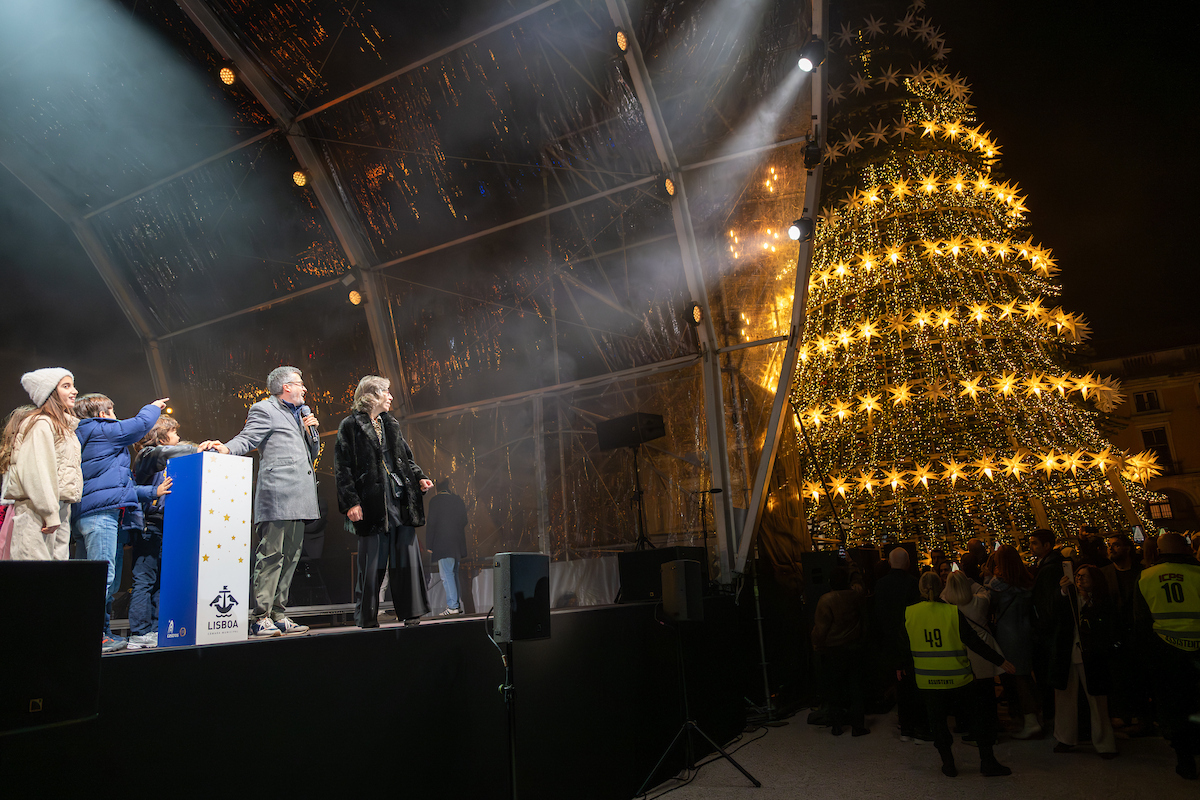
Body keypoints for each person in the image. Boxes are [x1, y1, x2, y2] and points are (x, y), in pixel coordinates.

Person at [199, 366, 319, 638]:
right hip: (278, 494)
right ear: (286, 387)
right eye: (300, 383)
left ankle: (279, 613)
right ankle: (260, 617)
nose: (304, 388)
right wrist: (226, 448)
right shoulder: (264, 409)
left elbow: (311, 454)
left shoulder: (300, 414)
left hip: (300, 495)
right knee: (272, 555)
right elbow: (248, 437)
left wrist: (310, 432)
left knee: (291, 556)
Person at [333, 375, 433, 628]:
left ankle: (411, 613)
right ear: (372, 395)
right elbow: (343, 468)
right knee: (372, 562)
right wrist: (351, 502)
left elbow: (406, 459)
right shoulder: (350, 426)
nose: (390, 397)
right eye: (386, 392)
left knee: (406, 557)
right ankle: (367, 617)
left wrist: (419, 477)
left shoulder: (391, 423)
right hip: (372, 503)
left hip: (399, 499)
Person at [74, 392, 165, 652]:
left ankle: (99, 633)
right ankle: (93, 637)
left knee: (89, 579)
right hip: (101, 515)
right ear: (103, 414)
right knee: (102, 579)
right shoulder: (102, 429)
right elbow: (139, 424)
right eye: (113, 412)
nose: (116, 417)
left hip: (87, 513)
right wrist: (153, 407)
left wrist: (152, 492)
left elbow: (120, 486)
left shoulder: (88, 438)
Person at [906, 571, 1015, 778]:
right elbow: (973, 642)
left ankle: (948, 763)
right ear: (941, 587)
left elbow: (903, 646)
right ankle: (987, 761)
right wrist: (1000, 661)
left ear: (920, 588)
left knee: (938, 724)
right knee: (978, 718)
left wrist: (902, 668)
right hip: (959, 678)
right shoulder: (951, 612)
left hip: (928, 680)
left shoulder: (910, 613)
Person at [1135, 532, 1200, 780]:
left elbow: (1140, 621)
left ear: (1159, 552)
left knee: (1174, 705)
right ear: (1186, 548)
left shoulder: (1146, 576)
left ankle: (1185, 759)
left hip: (1165, 651)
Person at [126, 416, 192, 650]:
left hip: (164, 526)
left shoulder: (167, 461)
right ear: (162, 437)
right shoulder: (147, 456)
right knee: (144, 579)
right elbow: (164, 454)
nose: (178, 437)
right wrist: (197, 448)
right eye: (174, 432)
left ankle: (155, 629)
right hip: (148, 526)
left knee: (160, 581)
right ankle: (139, 632)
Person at [0, 370, 81, 562]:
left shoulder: (64, 428)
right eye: (66, 386)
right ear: (49, 392)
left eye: (72, 385)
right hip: (37, 510)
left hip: (59, 508)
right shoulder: (41, 423)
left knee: (55, 574)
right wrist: (49, 512)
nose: (75, 391)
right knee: (34, 572)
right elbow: (36, 471)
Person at [1050, 563, 1119, 758]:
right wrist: (1063, 592)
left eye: (1084, 576)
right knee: (1065, 697)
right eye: (1078, 576)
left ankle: (1104, 743)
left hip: (1090, 654)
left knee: (1097, 700)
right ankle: (1065, 738)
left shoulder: (1101, 602)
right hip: (1069, 653)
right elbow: (1055, 614)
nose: (1079, 579)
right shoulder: (1070, 597)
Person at [986, 544, 1041, 739]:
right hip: (1026, 632)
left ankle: (1029, 720)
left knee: (1016, 678)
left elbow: (988, 605)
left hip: (1007, 634)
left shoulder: (997, 585)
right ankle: (1034, 717)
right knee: (1025, 676)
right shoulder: (1028, 582)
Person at [872, 547, 926, 740]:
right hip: (912, 638)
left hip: (890, 639)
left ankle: (905, 724)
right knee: (914, 682)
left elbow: (878, 614)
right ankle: (916, 723)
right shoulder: (913, 583)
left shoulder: (881, 584)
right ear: (908, 563)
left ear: (889, 562)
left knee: (899, 682)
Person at [811, 565, 869, 736]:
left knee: (834, 688)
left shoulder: (826, 600)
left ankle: (836, 726)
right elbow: (860, 586)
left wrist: (817, 646)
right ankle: (858, 726)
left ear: (830, 582)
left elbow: (821, 629)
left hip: (833, 650)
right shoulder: (856, 596)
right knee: (856, 688)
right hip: (854, 647)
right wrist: (853, 566)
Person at [1101, 533, 1149, 733]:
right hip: (1115, 634)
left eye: (1116, 545)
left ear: (1127, 548)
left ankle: (1142, 717)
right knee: (1118, 677)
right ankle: (1123, 714)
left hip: (1138, 633)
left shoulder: (1143, 573)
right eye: (1109, 545)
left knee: (1140, 677)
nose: (1111, 548)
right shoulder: (1104, 574)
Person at [1028, 528, 1064, 722]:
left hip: (1046, 632)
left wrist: (1040, 625)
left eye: (1034, 543)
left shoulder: (1050, 569)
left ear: (1047, 545)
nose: (1031, 547)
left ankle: (1052, 716)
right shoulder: (1047, 565)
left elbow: (1046, 603)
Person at [425, 479, 468, 616]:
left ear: (437, 489)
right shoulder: (457, 500)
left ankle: (453, 606)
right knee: (453, 574)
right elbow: (465, 521)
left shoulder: (435, 501)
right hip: (457, 544)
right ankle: (456, 605)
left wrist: (429, 544)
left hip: (443, 544)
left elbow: (431, 523)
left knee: (447, 575)